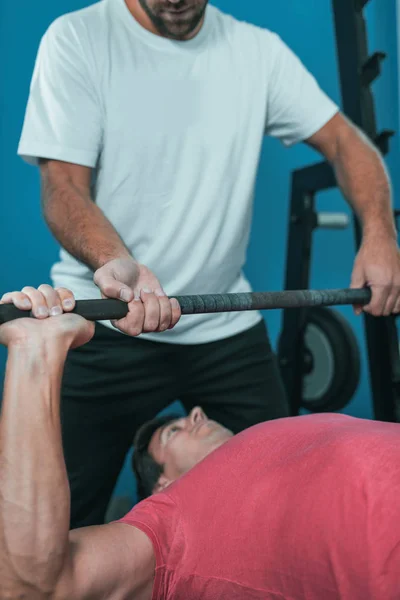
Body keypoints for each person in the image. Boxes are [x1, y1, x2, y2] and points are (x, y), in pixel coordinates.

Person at [17, 0, 400, 529]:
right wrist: (116, 259)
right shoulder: (78, 37)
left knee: (292, 508)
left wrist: (381, 233)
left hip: (221, 324)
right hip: (107, 321)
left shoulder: (256, 51)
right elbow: (62, 186)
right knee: (50, 535)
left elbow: (344, 141)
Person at [1, 287, 400, 600]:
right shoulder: (171, 525)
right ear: (162, 486)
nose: (196, 412)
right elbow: (35, 585)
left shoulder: (275, 434)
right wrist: (36, 349)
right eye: (172, 432)